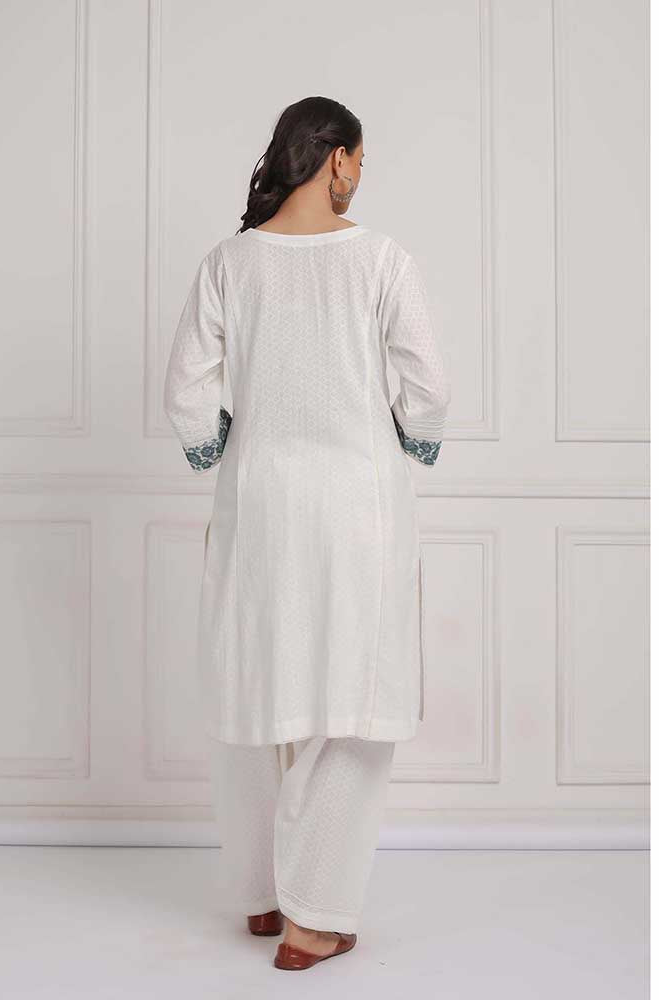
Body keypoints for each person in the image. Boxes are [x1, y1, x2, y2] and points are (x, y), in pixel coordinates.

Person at [162, 95, 451, 971]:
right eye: (359, 160)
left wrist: (225, 445)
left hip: (258, 503)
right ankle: (313, 917)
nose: (361, 176)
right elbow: (427, 389)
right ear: (334, 159)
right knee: (352, 703)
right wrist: (407, 436)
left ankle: (260, 893)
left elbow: (187, 393)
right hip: (356, 507)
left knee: (258, 687)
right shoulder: (382, 261)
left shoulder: (229, 263)